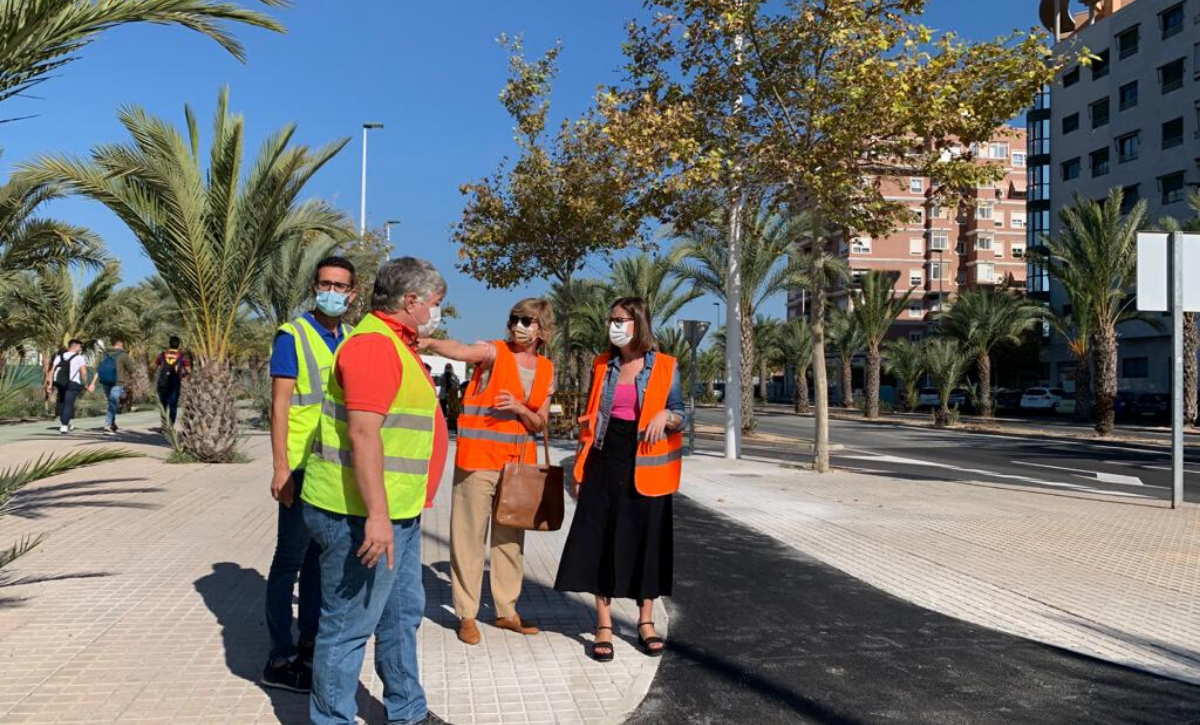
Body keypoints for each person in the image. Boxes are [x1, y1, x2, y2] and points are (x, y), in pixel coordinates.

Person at [300, 257, 449, 725]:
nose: (436, 312)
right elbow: (364, 435)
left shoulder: (397, 344)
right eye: (435, 303)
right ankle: (331, 719)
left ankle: (408, 711)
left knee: (401, 615)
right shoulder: (373, 347)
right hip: (358, 515)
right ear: (411, 301)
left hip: (397, 512)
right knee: (348, 625)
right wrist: (378, 517)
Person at [554, 297, 687, 662]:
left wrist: (665, 416)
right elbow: (590, 420)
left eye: (620, 320)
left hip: (647, 465)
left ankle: (646, 621)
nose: (612, 325)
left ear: (638, 323)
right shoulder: (602, 364)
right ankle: (604, 624)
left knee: (647, 541)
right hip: (604, 459)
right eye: (611, 319)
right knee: (601, 539)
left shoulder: (666, 365)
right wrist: (579, 469)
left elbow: (681, 414)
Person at [420, 298, 556, 646]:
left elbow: (540, 422)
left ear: (542, 328)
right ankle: (467, 615)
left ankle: (506, 610)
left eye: (526, 320)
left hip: (518, 467)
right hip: (478, 462)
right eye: (514, 318)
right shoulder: (494, 352)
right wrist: (430, 342)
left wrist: (519, 408)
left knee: (510, 541)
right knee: (468, 538)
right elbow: (462, 351)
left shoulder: (546, 369)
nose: (518, 325)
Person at [261, 257, 357, 693]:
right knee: (289, 560)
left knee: (320, 560)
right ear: (314, 287)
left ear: (352, 293)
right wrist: (281, 467)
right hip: (299, 467)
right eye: (325, 284)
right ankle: (279, 657)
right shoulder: (293, 336)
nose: (331, 292)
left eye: (340, 286)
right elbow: (280, 406)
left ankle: (311, 643)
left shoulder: (352, 339)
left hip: (333, 468)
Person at [45, 339, 92, 435]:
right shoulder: (79, 358)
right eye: (80, 346)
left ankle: (64, 423)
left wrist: (50, 385)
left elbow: (52, 371)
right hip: (73, 383)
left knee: (62, 402)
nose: (81, 348)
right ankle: (64, 425)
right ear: (75, 346)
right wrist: (85, 383)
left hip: (60, 383)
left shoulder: (60, 357)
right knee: (68, 404)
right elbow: (84, 372)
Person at [96, 336, 137, 434]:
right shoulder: (123, 355)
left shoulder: (103, 354)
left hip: (105, 381)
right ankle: (108, 425)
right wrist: (134, 381)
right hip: (118, 383)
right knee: (113, 402)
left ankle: (112, 424)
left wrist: (94, 382)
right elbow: (132, 370)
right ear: (120, 343)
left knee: (111, 403)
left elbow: (98, 368)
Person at [153, 336, 189, 426]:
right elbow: (189, 371)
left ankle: (164, 425)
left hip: (163, 382)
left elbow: (153, 367)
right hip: (175, 383)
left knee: (163, 405)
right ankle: (171, 425)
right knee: (173, 405)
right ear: (178, 345)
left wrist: (153, 375)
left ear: (169, 344)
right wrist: (182, 376)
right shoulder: (182, 357)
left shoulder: (162, 355)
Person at [439, 363, 461, 431]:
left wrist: (453, 379)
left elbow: (457, 383)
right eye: (447, 368)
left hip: (452, 396)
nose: (448, 369)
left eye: (449, 368)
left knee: (452, 412)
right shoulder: (442, 376)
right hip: (443, 396)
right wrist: (442, 378)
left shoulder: (454, 376)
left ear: (451, 369)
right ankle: (442, 424)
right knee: (443, 411)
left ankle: (451, 425)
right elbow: (439, 383)